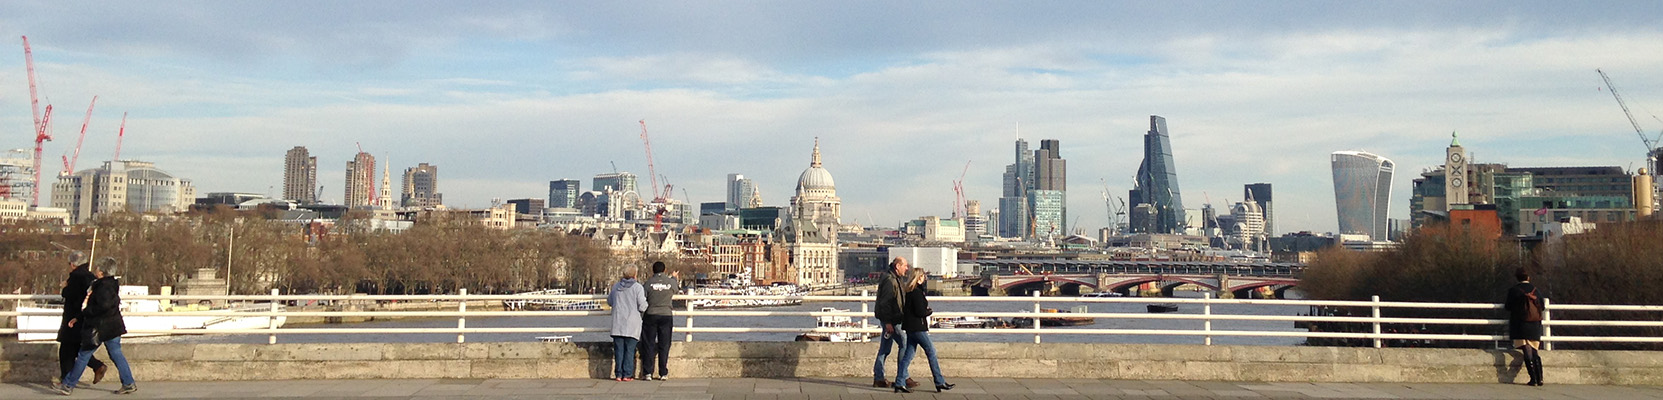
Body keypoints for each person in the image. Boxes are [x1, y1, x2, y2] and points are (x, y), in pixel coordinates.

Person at [59, 258, 137, 395]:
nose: (95, 270)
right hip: (113, 326)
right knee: (116, 354)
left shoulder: (102, 287)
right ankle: (128, 382)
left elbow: (101, 306)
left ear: (101, 272)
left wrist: (84, 313)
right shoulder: (110, 285)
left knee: (83, 355)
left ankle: (68, 384)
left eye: (97, 268)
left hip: (99, 327)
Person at [895, 268, 953, 393]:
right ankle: (939, 381)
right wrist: (929, 311)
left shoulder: (909, 291)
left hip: (910, 328)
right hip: (918, 328)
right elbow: (920, 312)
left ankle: (899, 382)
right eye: (923, 276)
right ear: (919, 278)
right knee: (931, 352)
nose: (925, 279)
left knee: (908, 356)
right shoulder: (917, 292)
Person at [55, 253, 107, 389]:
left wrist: (64, 287)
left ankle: (65, 379)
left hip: (73, 316)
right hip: (85, 315)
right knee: (77, 347)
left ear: (73, 264)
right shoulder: (90, 277)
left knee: (66, 349)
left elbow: (69, 294)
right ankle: (97, 366)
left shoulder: (75, 277)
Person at [872, 257, 917, 390]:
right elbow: (885, 303)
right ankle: (903, 376)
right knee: (904, 343)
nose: (907, 268)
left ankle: (879, 378)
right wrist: (887, 323)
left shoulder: (893, 278)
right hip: (892, 320)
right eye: (905, 266)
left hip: (892, 320)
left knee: (885, 349)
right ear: (898, 266)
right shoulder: (890, 281)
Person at [639, 261, 679, 380]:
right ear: (664, 270)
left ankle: (648, 372)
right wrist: (674, 278)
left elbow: (643, 296)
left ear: (653, 270)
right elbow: (676, 289)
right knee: (664, 344)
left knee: (648, 344)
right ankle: (663, 372)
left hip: (651, 314)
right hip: (666, 315)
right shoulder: (670, 282)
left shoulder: (648, 283)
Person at [1506, 267, 1545, 386]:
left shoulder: (1514, 290)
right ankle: (1540, 378)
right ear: (1528, 277)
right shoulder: (1535, 290)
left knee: (1526, 351)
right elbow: (1542, 306)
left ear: (1517, 278)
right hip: (1534, 324)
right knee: (1534, 351)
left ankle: (1533, 378)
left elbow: (1508, 306)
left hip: (1520, 323)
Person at [607, 269, 648, 382]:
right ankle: (627, 374)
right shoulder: (637, 287)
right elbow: (642, 306)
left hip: (617, 323)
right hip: (632, 323)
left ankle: (618, 374)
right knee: (629, 350)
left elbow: (610, 301)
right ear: (635, 275)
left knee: (619, 351)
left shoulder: (616, 286)